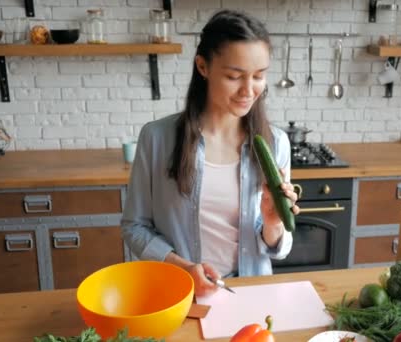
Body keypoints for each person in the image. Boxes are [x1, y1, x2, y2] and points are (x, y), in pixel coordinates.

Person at [121, 9, 299, 297]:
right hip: (182, 295)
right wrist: (182, 267)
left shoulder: (275, 143)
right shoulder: (156, 139)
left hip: (250, 294)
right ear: (203, 67)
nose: (249, 90)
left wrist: (272, 222)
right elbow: (135, 227)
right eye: (234, 76)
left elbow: (277, 248)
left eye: (259, 76)